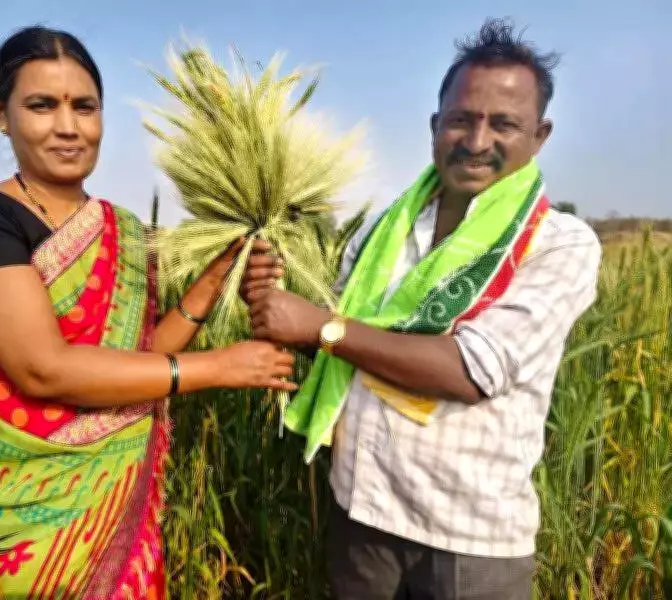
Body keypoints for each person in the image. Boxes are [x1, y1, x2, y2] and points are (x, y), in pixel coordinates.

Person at [242, 18, 602, 600]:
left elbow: (469, 371)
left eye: (504, 123)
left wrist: (323, 327)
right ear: (436, 126)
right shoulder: (386, 231)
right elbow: (335, 345)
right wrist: (268, 300)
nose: (478, 140)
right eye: (462, 119)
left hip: (469, 542)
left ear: (541, 134)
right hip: (360, 510)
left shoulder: (558, 243)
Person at [0, 25, 296, 600]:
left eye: (84, 106)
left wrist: (211, 283)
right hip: (20, 515)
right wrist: (219, 368)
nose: (67, 126)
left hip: (115, 513)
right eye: (41, 105)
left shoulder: (127, 231)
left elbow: (141, 358)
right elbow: (42, 368)